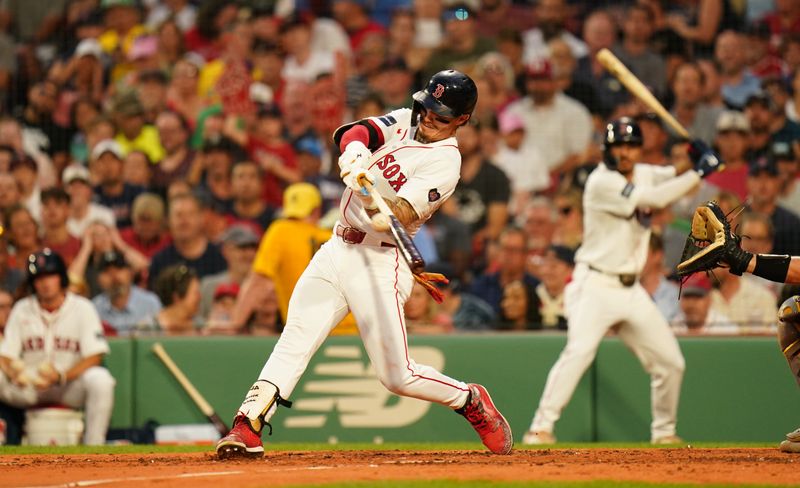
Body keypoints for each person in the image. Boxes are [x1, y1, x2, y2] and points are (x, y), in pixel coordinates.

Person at [216, 70, 513, 459]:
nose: (427, 118)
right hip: (337, 247)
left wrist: (375, 205)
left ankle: (467, 399)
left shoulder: (446, 163)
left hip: (380, 259)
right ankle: (247, 424)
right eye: (427, 107)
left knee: (397, 375)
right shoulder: (408, 118)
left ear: (462, 120)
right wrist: (355, 155)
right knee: (297, 335)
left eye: (440, 115)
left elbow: (401, 216)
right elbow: (354, 132)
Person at [522, 117, 722, 446]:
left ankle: (663, 432)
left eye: (631, 145)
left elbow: (671, 175)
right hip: (595, 284)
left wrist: (696, 154)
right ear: (607, 149)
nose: (625, 152)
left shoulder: (643, 171)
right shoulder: (601, 181)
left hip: (631, 289)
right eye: (619, 146)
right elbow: (654, 200)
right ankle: (540, 428)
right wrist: (701, 171)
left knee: (671, 363)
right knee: (579, 353)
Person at [0, 249, 115, 445]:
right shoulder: (21, 308)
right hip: (30, 385)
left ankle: (95, 445)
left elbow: (95, 355)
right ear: (32, 283)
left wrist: (61, 376)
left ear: (61, 277)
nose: (45, 283)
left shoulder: (82, 307)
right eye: (39, 278)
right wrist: (13, 373)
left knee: (101, 380)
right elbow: (6, 355)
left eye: (50, 276)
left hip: (67, 384)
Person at [92, 250, 162, 336]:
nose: (114, 276)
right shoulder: (93, 308)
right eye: (107, 271)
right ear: (98, 279)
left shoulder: (150, 303)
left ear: (130, 273)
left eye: (119, 269)